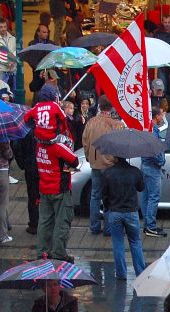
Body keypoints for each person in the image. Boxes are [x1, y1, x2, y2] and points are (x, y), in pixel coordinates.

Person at [82, 96, 124, 236]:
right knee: (110, 197)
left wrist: (89, 157)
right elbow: (120, 146)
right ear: (111, 107)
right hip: (111, 165)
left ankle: (94, 226)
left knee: (95, 196)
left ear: (99, 106)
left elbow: (85, 142)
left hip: (96, 164)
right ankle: (108, 228)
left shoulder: (91, 122)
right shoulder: (116, 125)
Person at [35, 128, 78, 262]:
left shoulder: (39, 146)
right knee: (62, 221)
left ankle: (43, 252)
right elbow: (75, 160)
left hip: (44, 188)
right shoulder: (58, 146)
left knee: (44, 222)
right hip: (60, 189)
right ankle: (59, 253)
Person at [103, 156, 147, 280]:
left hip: (115, 212)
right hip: (131, 212)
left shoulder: (108, 173)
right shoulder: (135, 171)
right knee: (135, 242)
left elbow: (104, 194)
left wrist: (107, 207)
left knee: (118, 243)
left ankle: (121, 273)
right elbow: (141, 187)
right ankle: (140, 273)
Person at [141, 108, 167, 238]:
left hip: (145, 165)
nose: (163, 116)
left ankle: (147, 224)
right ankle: (151, 226)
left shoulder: (147, 128)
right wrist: (161, 161)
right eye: (162, 114)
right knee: (154, 196)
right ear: (157, 116)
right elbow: (155, 149)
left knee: (146, 196)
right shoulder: (153, 130)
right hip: (152, 167)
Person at [0, 18, 16, 91]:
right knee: (2, 92)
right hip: (1, 71)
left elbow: (16, 51)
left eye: (5, 27)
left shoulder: (13, 38)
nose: (3, 29)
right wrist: (8, 62)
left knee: (13, 92)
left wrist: (13, 60)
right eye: (1, 27)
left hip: (13, 70)